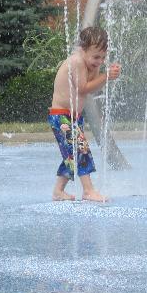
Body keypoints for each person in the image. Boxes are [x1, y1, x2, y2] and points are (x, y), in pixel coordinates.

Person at [49, 26, 121, 202]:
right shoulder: (77, 62)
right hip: (61, 116)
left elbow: (91, 87)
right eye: (96, 57)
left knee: (71, 155)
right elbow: (83, 88)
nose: (99, 61)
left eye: (103, 57)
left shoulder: (90, 63)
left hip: (73, 116)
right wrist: (105, 76)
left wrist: (106, 75)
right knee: (81, 149)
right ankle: (88, 191)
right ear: (82, 49)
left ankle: (58, 191)